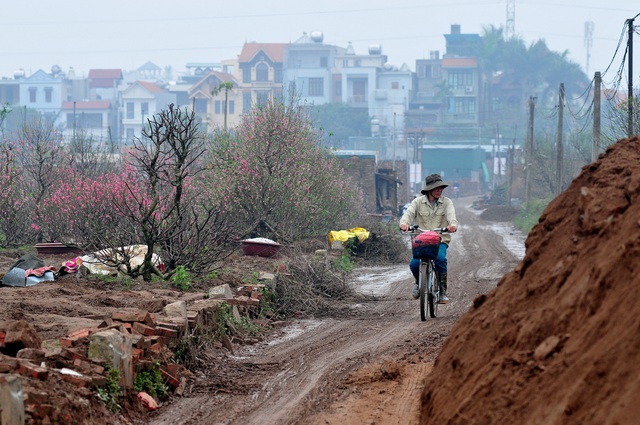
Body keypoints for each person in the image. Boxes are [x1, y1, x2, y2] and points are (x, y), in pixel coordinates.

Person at [399, 174, 458, 303]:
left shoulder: (447, 202)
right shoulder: (417, 202)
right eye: (436, 188)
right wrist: (404, 224)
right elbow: (408, 214)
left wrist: (452, 225)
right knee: (414, 264)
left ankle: (442, 291)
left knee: (440, 260)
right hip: (422, 240)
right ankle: (419, 283)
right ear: (429, 189)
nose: (439, 190)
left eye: (441, 188)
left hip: (440, 239)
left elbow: (451, 216)